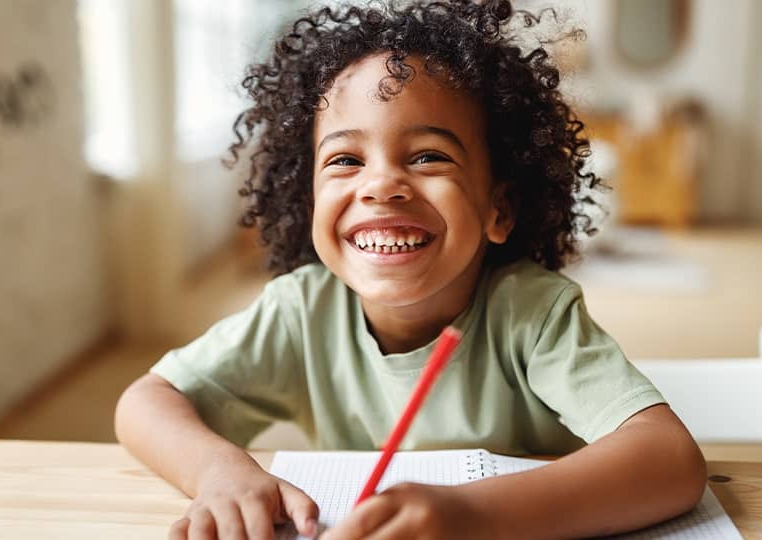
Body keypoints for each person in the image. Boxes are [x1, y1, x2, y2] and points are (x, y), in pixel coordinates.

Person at [115, 1, 707, 538]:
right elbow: (145, 402)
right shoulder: (300, 311)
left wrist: (470, 515)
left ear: (498, 208)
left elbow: (670, 461)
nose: (380, 186)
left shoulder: (533, 313)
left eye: (428, 156)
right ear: (309, 198)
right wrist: (219, 471)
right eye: (345, 159)